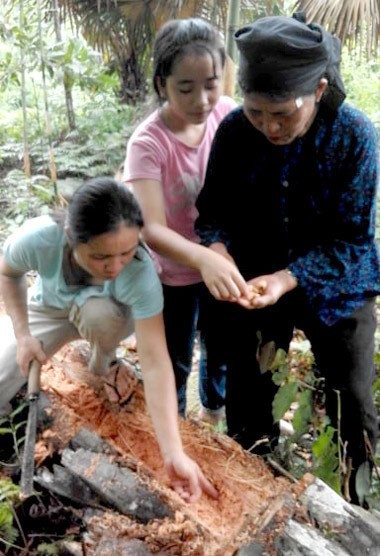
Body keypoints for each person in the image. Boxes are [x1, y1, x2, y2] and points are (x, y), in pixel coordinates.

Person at [195, 13, 379, 503]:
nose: (270, 127)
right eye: (257, 112)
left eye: (283, 113)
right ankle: (253, 492)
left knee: (353, 404)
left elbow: (353, 241)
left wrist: (290, 276)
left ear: (318, 90)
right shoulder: (235, 132)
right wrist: (216, 251)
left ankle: (354, 503)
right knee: (248, 394)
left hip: (335, 282)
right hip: (255, 281)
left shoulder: (355, 136)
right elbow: (212, 212)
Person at [0, 177, 218, 503]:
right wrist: (23, 335)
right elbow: (8, 272)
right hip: (50, 309)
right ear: (72, 240)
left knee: (100, 314)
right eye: (101, 256)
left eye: (126, 252)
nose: (115, 267)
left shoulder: (140, 273)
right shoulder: (40, 238)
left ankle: (103, 360)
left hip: (109, 316)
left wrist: (173, 453)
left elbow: (156, 362)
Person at [123, 18, 248, 420]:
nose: (202, 100)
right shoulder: (148, 143)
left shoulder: (228, 115)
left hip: (222, 262)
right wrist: (201, 258)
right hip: (172, 275)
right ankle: (175, 428)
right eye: (186, 88)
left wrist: (217, 256)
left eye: (211, 84)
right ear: (162, 84)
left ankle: (212, 411)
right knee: (175, 357)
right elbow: (152, 228)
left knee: (221, 346)